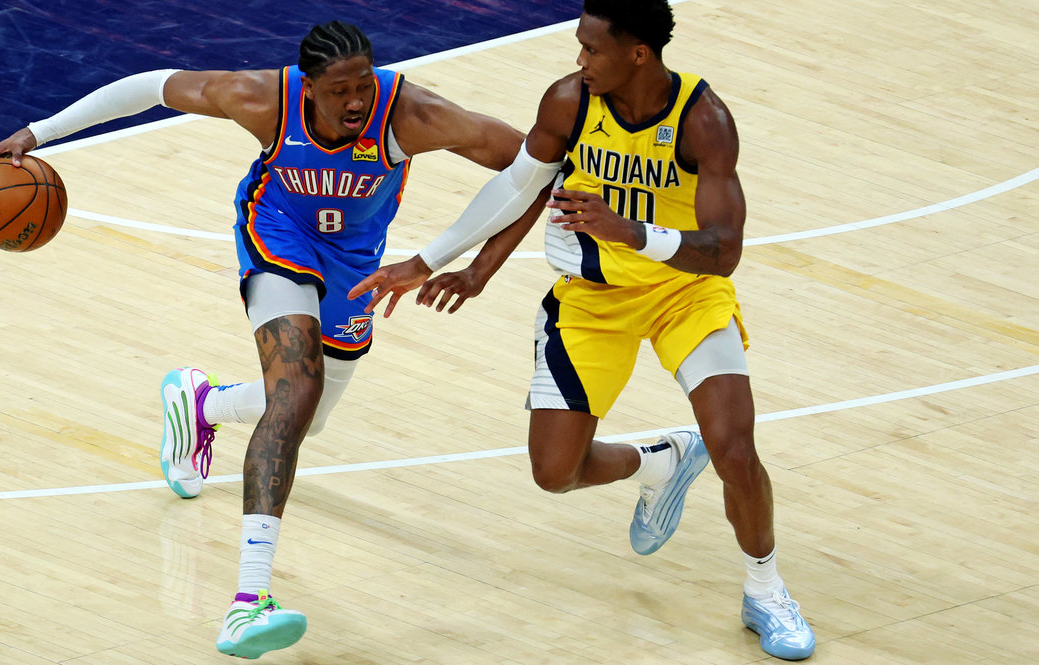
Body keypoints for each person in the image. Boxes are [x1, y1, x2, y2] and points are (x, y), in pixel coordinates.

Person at [0, 20, 544, 660]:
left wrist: (454, 263)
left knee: (310, 418)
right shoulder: (263, 99)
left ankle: (201, 404)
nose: (356, 101)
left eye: (363, 84)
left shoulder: (411, 114)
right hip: (277, 236)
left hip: (355, 264)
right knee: (295, 395)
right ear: (308, 87)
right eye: (339, 91)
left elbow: (532, 167)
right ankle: (249, 602)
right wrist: (38, 133)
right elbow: (152, 86)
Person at [349, 0, 816, 660]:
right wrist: (435, 263)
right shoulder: (569, 101)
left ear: (638, 54)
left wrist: (630, 233)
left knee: (735, 447)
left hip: (685, 293)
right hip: (591, 302)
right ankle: (662, 461)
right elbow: (519, 187)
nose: (579, 59)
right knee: (555, 471)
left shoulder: (703, 120)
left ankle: (765, 591)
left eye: (592, 49)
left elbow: (724, 251)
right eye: (580, 44)